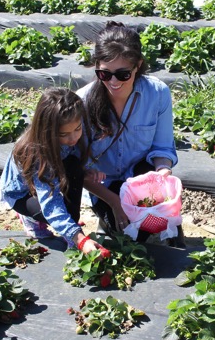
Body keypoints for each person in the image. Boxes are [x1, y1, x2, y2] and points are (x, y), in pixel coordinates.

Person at [77, 21, 185, 248]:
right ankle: (107, 220)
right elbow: (76, 169)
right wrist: (115, 202)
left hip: (140, 179)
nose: (114, 82)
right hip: (104, 186)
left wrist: (162, 174)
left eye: (123, 74)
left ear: (138, 66)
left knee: (152, 229)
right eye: (105, 74)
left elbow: (163, 148)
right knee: (128, 235)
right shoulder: (83, 102)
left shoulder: (157, 93)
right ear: (96, 67)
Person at [0, 87, 105, 254]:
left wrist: (85, 171)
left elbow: (72, 159)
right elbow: (51, 204)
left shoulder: (72, 129)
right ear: (47, 131)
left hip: (51, 172)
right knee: (49, 211)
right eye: (64, 134)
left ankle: (71, 226)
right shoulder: (36, 153)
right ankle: (30, 219)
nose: (73, 138)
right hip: (22, 194)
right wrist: (80, 239)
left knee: (75, 168)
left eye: (77, 129)